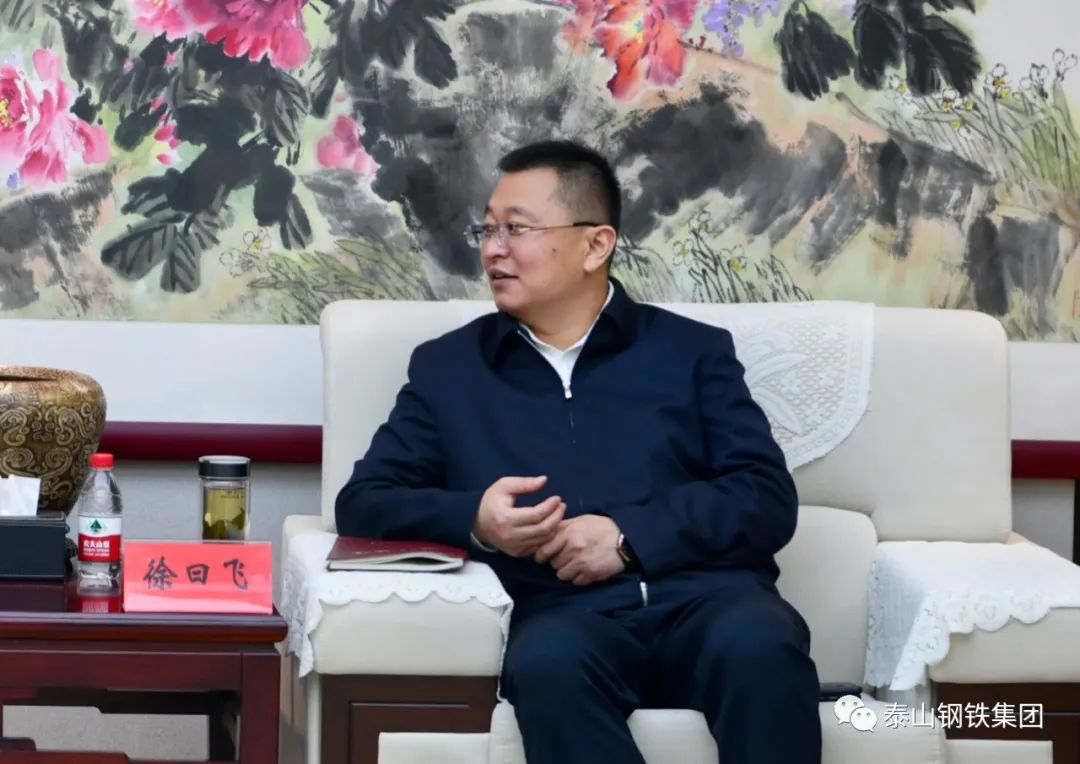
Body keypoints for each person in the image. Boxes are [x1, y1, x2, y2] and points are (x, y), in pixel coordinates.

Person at [335, 140, 821, 763]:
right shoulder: (450, 370)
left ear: (596, 245)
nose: (492, 249)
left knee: (762, 645)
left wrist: (627, 537)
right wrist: (476, 519)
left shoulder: (691, 353)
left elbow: (765, 498)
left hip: (710, 601)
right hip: (564, 614)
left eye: (516, 229)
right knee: (548, 665)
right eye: (487, 229)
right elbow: (364, 503)